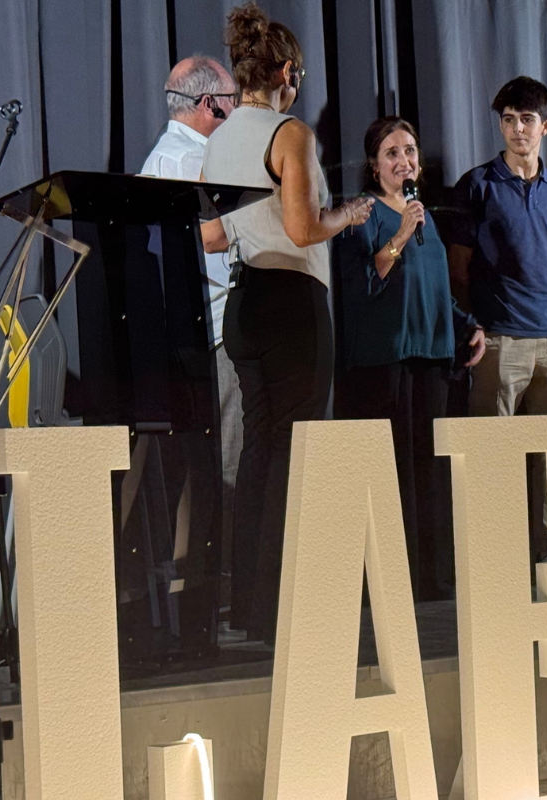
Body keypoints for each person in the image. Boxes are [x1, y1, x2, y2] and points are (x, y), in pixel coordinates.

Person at [200, 2, 374, 639]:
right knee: (297, 453)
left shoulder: (217, 141)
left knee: (260, 454)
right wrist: (349, 214)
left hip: (245, 306)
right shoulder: (290, 133)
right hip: (292, 306)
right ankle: (288, 611)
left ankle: (250, 608)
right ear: (286, 73)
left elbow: (213, 237)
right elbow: (304, 228)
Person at [447, 76, 547, 584]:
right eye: (508, 119)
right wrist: (476, 326)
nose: (516, 129)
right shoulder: (478, 184)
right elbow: (458, 269)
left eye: (526, 119)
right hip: (501, 338)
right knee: (494, 452)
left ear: (545, 126)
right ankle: (497, 552)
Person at [334, 116, 486, 601]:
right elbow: (363, 282)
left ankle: (432, 575)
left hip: (432, 353)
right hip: (387, 357)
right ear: (375, 166)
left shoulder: (424, 213)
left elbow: (434, 284)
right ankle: (395, 576)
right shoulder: (363, 213)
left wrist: (468, 326)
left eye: (410, 151)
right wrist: (399, 234)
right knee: (395, 467)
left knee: (429, 466)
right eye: (392, 154)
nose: (405, 161)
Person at [137, 54, 243, 560]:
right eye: (233, 102)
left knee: (200, 468)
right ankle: (224, 590)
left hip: (186, 337)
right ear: (209, 106)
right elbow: (210, 244)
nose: (239, 111)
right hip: (215, 332)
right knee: (225, 465)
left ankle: (198, 583)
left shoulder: (162, 158)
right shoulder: (189, 164)